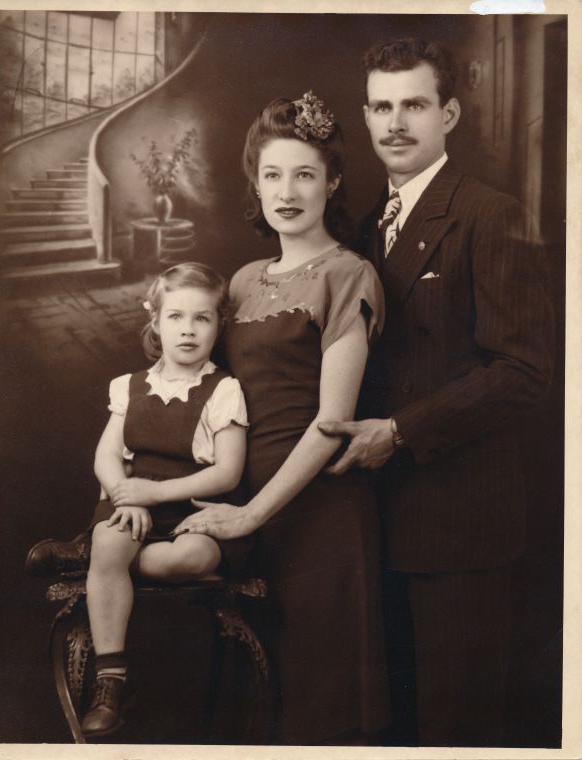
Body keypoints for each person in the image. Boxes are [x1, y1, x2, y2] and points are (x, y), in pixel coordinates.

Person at [318, 38, 555, 746]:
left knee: (457, 731)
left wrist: (399, 431)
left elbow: (524, 372)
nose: (396, 122)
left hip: (461, 524)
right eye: (383, 107)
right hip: (375, 522)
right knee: (391, 729)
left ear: (448, 113)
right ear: (365, 116)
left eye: (414, 105)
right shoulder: (363, 230)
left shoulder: (491, 214)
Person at [173, 92, 391, 745]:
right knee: (253, 714)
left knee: (318, 720)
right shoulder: (238, 283)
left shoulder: (350, 275)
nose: (287, 191)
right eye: (272, 175)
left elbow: (332, 420)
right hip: (242, 513)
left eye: (304, 174)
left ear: (333, 182)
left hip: (322, 518)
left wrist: (252, 513)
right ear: (256, 184)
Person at [28, 262, 249, 737]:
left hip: (189, 513)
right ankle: (112, 678)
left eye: (202, 319)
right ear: (155, 319)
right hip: (132, 509)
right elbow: (107, 454)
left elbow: (227, 472)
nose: (188, 330)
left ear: (219, 323)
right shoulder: (129, 386)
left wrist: (157, 493)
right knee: (115, 541)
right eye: (175, 317)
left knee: (191, 557)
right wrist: (124, 495)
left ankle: (86, 557)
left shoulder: (223, 390)